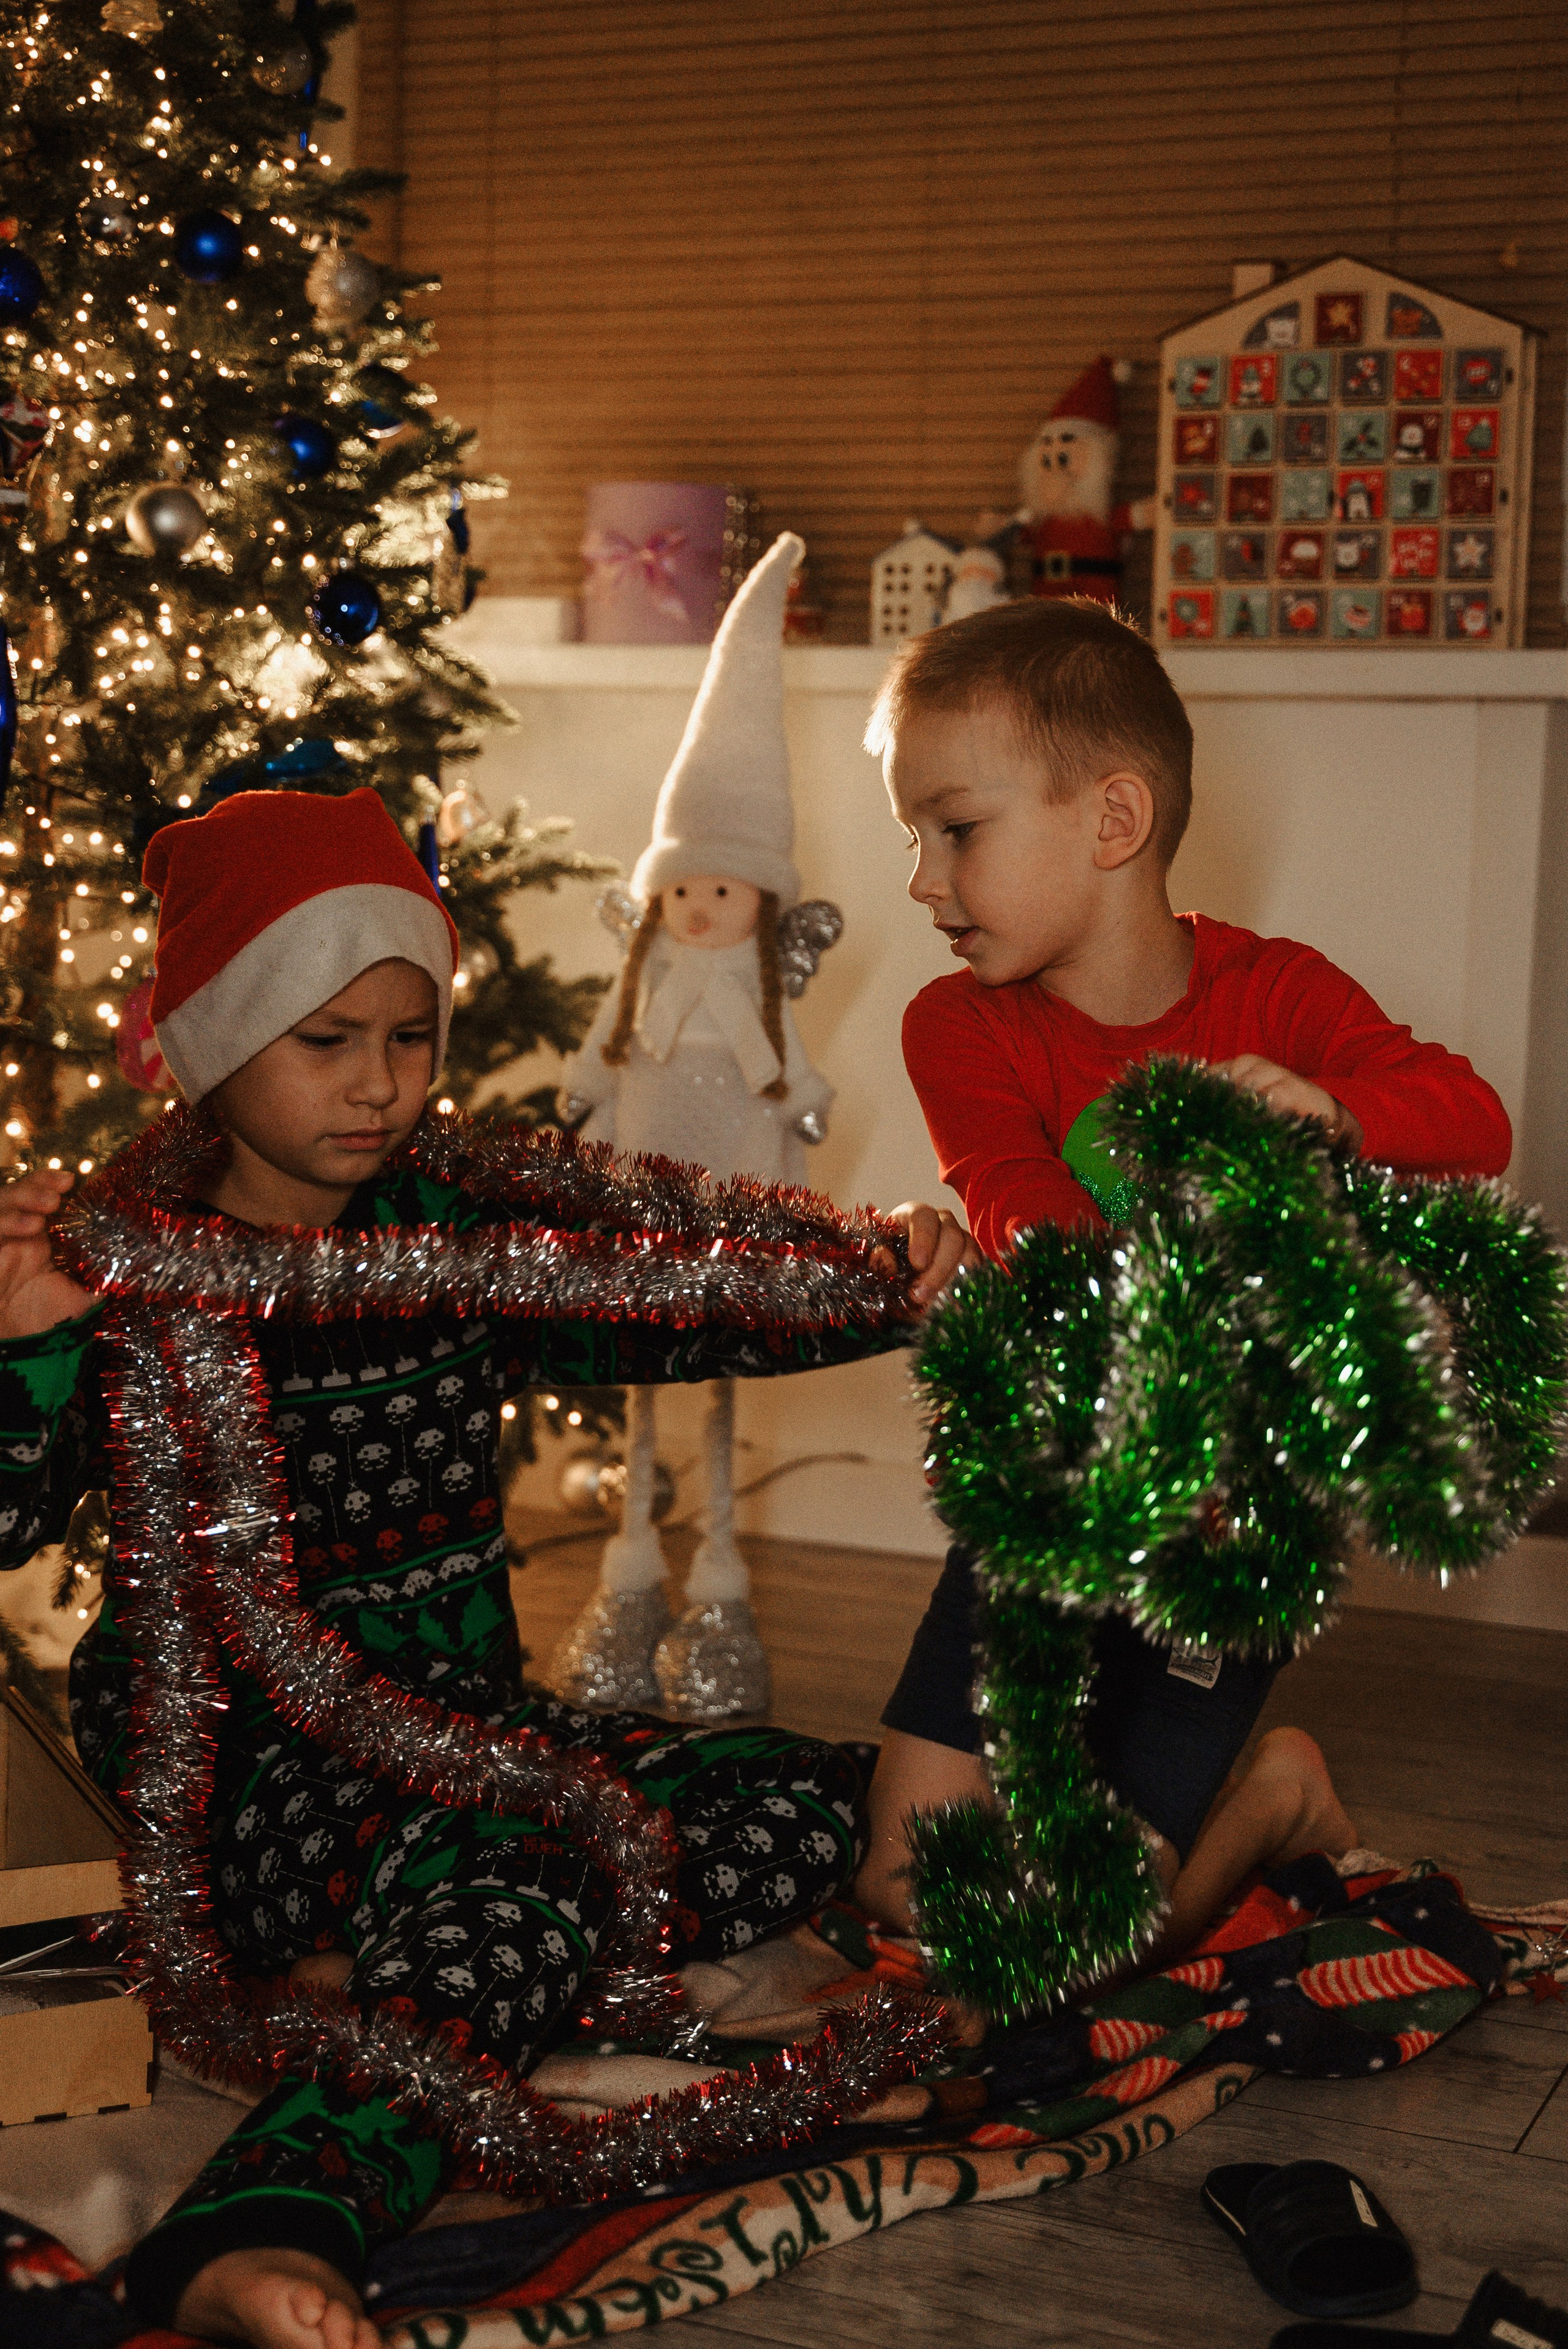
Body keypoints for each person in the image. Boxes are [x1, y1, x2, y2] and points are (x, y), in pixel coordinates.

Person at [0, 787, 974, 2349]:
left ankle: (412, 1984)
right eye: (327, 1041)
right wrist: (28, 1352)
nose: (381, 1086)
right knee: (526, 1880)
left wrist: (889, 1276)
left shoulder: (456, 1227)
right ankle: (266, 2219)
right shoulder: (120, 1260)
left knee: (817, 1801)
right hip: (250, 1770)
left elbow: (670, 1301)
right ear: (206, 1037)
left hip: (476, 1733)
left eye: (412, 1036)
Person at [850, 594, 1511, 1953]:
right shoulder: (957, 1027)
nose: (922, 881)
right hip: (1053, 1495)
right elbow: (1017, 1199)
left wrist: (1332, 1109)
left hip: (1232, 1529)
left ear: (1111, 822)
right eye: (911, 838)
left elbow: (1470, 1114)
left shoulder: (1278, 993)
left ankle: (1272, 1800)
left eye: (955, 831)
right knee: (898, 1891)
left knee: (1081, 1938)